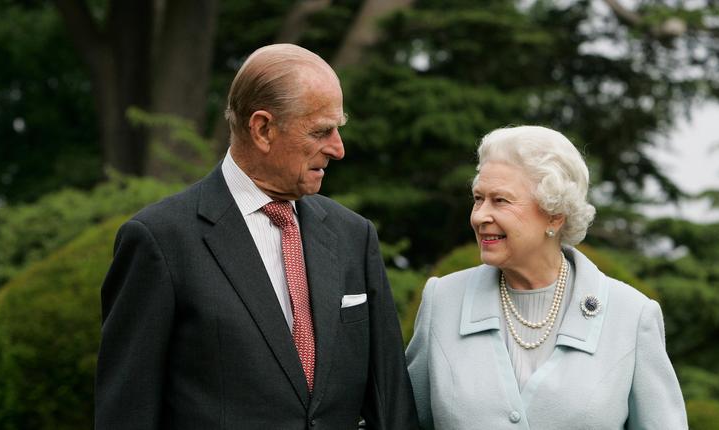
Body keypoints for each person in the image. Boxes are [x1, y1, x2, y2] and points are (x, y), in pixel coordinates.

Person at [95, 44, 418, 429]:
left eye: (338, 129)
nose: (338, 149)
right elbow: (126, 413)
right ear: (262, 128)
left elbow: (392, 404)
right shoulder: (160, 240)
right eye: (321, 131)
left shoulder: (354, 236)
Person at [406, 125, 687, 429]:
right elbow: (400, 420)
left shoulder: (631, 316)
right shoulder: (443, 301)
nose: (479, 216)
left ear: (555, 214)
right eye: (478, 198)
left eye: (500, 200)